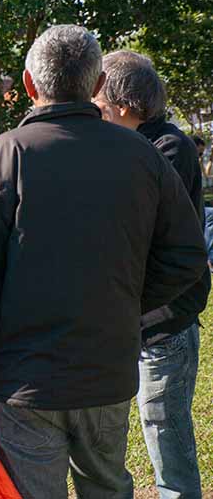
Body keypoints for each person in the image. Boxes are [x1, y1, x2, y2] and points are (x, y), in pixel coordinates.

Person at [0, 25, 208, 499]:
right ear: (98, 83)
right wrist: (122, 300)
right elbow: (187, 256)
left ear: (28, 84)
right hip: (104, 371)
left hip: (24, 380)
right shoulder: (141, 155)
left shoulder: (4, 156)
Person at [94, 50, 210, 499]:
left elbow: (136, 226)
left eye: (100, 102)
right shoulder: (126, 144)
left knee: (165, 436)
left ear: (124, 105)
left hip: (164, 322)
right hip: (128, 320)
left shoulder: (167, 147)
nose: (95, 111)